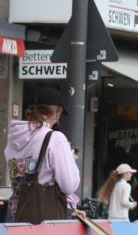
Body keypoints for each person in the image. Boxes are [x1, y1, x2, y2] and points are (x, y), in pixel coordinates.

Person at [5, 87, 82, 219]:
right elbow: (69, 186)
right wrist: (69, 159)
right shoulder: (55, 138)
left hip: (20, 210)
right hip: (46, 214)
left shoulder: (14, 137)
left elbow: (18, 173)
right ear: (57, 113)